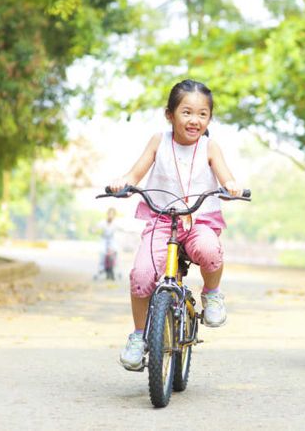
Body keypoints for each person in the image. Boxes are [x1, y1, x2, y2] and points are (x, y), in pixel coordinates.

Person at [107, 79, 245, 371]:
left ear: (209, 118)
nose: (194, 120)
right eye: (186, 112)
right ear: (169, 114)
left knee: (210, 249)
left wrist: (231, 186)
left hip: (199, 218)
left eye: (202, 114)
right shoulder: (159, 141)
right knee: (142, 274)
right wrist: (124, 183)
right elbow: (135, 173)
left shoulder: (210, 146)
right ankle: (138, 335)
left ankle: (212, 294)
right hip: (162, 218)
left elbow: (225, 176)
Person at [93, 207, 118, 281]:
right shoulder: (103, 222)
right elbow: (96, 227)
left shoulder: (115, 223)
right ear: (107, 214)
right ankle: (101, 268)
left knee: (115, 251)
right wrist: (94, 230)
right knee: (102, 252)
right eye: (109, 214)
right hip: (104, 239)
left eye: (112, 214)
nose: (111, 216)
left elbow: (123, 229)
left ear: (114, 215)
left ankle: (113, 268)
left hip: (111, 240)